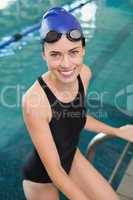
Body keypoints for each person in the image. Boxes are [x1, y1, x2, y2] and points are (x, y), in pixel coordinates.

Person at [21, 7, 133, 200]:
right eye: (55, 54)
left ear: (83, 50)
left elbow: (76, 118)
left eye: (73, 52)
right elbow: (54, 170)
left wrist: (116, 131)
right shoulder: (34, 102)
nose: (66, 64)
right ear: (44, 55)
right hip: (42, 177)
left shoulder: (84, 74)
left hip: (71, 157)